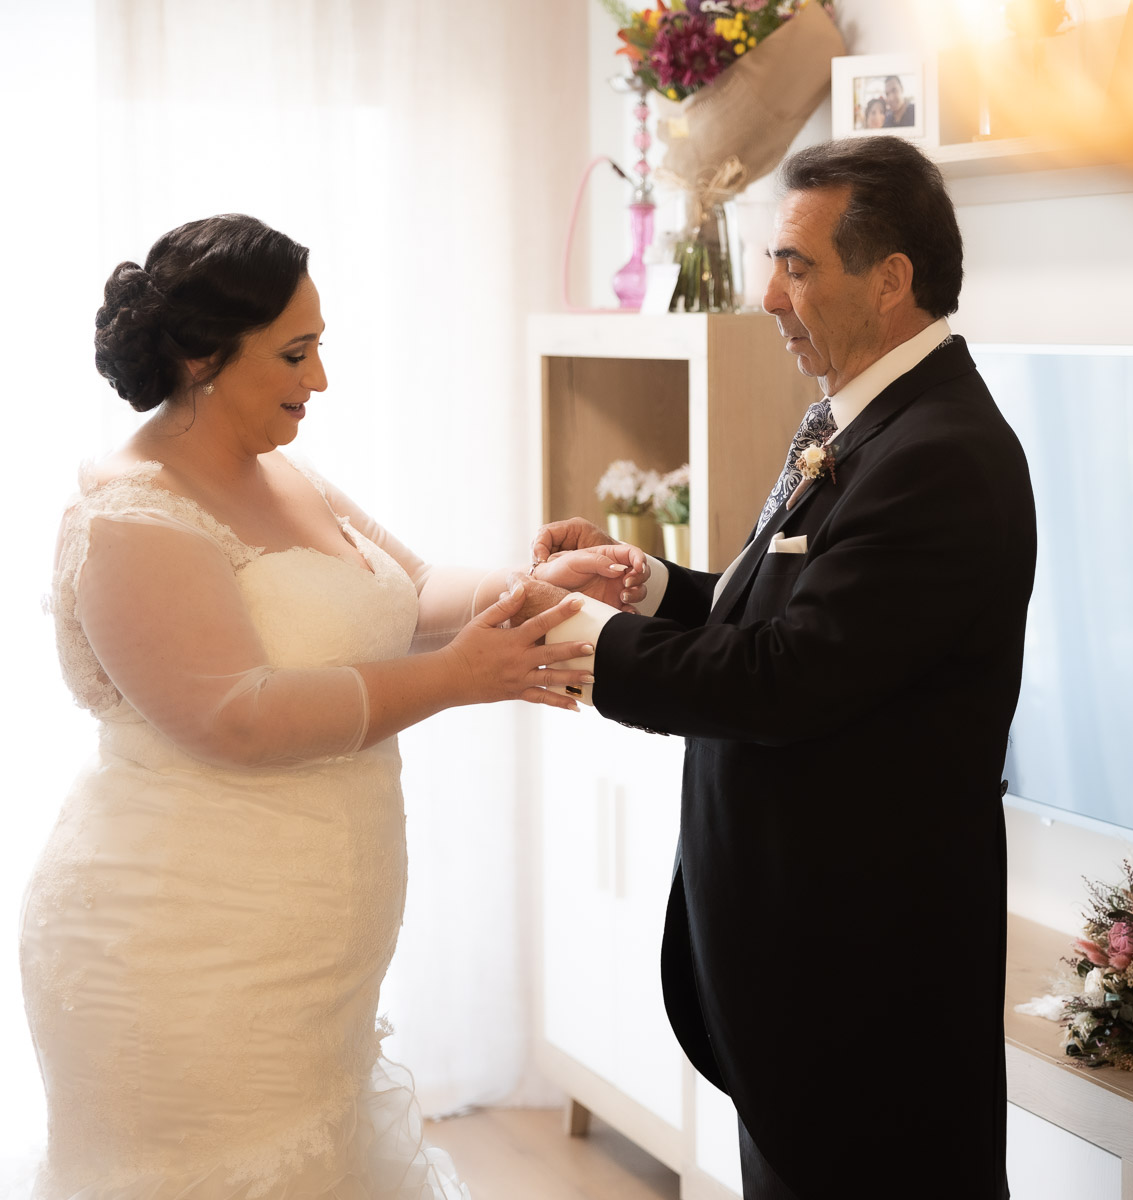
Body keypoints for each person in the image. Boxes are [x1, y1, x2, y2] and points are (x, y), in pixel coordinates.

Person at [22, 214, 616, 1199]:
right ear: (201, 356)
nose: (321, 380)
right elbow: (237, 715)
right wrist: (460, 679)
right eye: (297, 353)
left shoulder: (280, 470)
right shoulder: (131, 513)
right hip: (176, 955)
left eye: (320, 348)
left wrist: (537, 582)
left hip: (307, 968)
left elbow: (409, 592)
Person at [532, 137, 1036, 1197]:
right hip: (799, 969)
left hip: (864, 981)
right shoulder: (869, 416)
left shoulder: (941, 452)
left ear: (891, 279)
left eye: (796, 265)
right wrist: (651, 585)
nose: (766, 294)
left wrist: (575, 641)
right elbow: (799, 614)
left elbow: (786, 677)